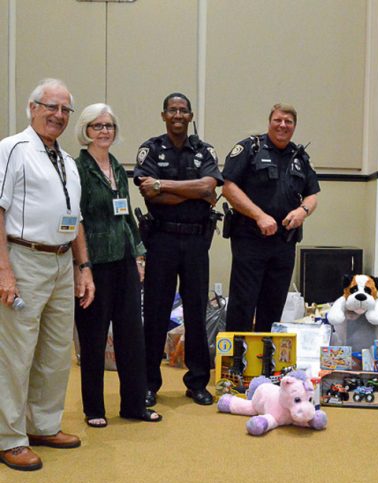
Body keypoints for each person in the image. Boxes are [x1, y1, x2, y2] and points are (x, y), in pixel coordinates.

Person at [0, 78, 95, 471]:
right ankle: (9, 436)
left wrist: (83, 267)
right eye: (50, 107)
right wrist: (3, 270)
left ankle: (42, 425)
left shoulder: (68, 162)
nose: (57, 115)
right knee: (16, 352)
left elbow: (75, 220)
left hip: (61, 263)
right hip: (23, 259)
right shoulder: (13, 149)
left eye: (64, 110)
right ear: (32, 107)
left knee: (56, 352)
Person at [74, 103, 161, 427]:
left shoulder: (114, 165)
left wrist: (139, 255)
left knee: (131, 336)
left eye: (109, 125)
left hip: (123, 258)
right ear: (86, 130)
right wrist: (80, 266)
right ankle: (94, 409)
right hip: (94, 263)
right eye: (97, 126)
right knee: (94, 338)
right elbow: (76, 218)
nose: (104, 131)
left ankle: (134, 405)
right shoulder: (78, 168)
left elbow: (125, 216)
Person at [133, 93, 222, 406]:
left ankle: (197, 382)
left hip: (198, 240)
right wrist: (194, 192)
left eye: (183, 110)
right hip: (162, 240)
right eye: (172, 110)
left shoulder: (204, 149)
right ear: (163, 115)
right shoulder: (151, 149)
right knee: (156, 311)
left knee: (197, 311)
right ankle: (148, 384)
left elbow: (210, 187)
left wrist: (165, 185)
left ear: (191, 115)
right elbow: (149, 195)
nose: (178, 115)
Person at [222, 103, 319, 332]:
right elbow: (227, 186)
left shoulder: (300, 156)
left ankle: (264, 363)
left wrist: (302, 211)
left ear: (294, 126)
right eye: (278, 120)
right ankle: (236, 364)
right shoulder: (250, 148)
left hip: (284, 242)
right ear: (269, 122)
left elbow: (312, 194)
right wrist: (259, 216)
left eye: (289, 121)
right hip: (250, 239)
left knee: (274, 305)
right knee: (243, 304)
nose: (283, 125)